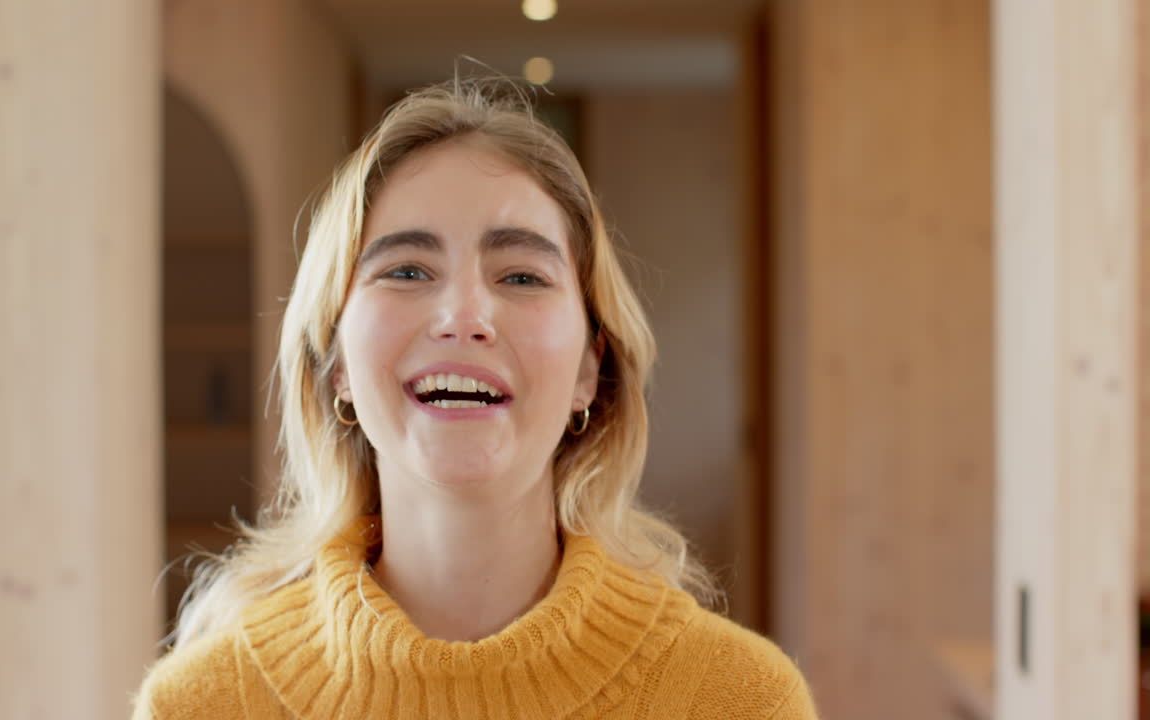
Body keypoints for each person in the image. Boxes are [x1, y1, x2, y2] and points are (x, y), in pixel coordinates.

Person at [132, 77, 817, 719]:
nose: (463, 315)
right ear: (336, 362)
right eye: (406, 270)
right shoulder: (202, 705)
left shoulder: (738, 702)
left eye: (521, 275)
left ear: (591, 369)